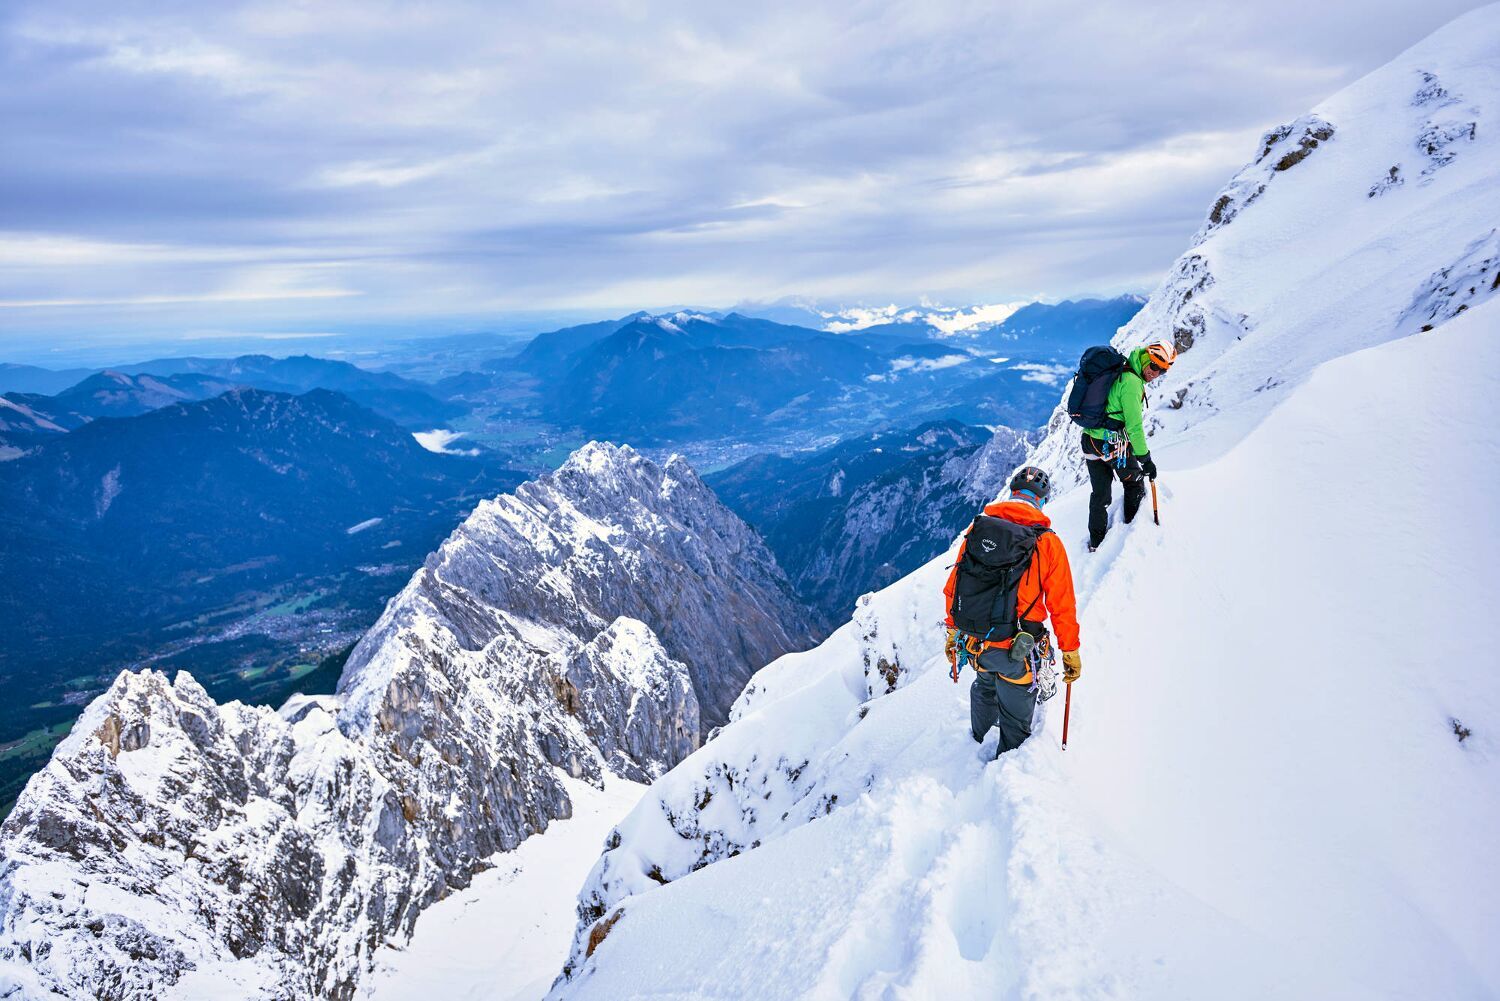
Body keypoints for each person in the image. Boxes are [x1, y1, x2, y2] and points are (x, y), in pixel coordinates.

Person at [943, 466, 1081, 757]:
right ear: (1041, 500)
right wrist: (1070, 650)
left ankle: (975, 743)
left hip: (977, 641)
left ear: (1012, 492)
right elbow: (1062, 605)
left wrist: (953, 633)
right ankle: (1006, 764)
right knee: (1015, 713)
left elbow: (955, 586)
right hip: (1017, 649)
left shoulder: (978, 530)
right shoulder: (1047, 542)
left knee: (984, 686)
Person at [1082, 340, 1176, 551]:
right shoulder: (1132, 383)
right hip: (1111, 442)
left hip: (1089, 440)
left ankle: (1095, 543)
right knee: (1134, 482)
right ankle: (1131, 535)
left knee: (1100, 494)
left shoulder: (1123, 369)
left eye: (1162, 371)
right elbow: (1134, 428)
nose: (1155, 373)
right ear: (1146, 358)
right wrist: (1145, 459)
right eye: (1154, 366)